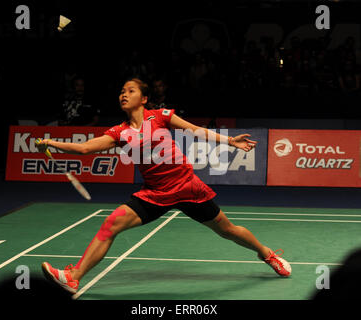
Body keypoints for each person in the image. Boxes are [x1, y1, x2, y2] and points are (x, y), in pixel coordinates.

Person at [37, 78, 291, 294]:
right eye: (121, 92)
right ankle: (74, 277)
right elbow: (84, 148)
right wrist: (51, 142)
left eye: (130, 91)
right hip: (155, 193)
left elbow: (195, 130)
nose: (124, 94)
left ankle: (266, 253)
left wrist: (230, 141)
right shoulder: (118, 132)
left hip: (186, 187)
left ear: (144, 98)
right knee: (110, 224)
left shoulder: (161, 116)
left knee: (228, 230)